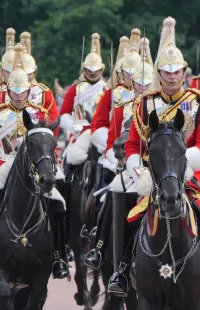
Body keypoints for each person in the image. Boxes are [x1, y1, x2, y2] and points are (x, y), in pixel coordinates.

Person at [106, 16, 200, 301]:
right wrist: (134, 164)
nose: (172, 76)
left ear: (184, 72)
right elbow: (132, 144)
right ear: (158, 73)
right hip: (150, 171)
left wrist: (182, 162)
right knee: (118, 194)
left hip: (189, 171)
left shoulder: (199, 101)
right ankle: (119, 269)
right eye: (166, 72)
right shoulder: (144, 102)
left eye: (177, 71)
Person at [0, 44, 69, 280]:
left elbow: (46, 142)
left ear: (29, 90)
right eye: (15, 91)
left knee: (59, 203)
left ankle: (59, 256)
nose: (19, 95)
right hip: (3, 163)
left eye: (23, 91)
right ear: (7, 89)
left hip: (33, 166)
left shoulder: (39, 113)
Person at [83, 55, 155, 270]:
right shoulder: (123, 106)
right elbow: (111, 138)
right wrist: (117, 158)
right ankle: (100, 245)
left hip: (159, 166)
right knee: (112, 191)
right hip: (133, 165)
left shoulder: (162, 106)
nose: (143, 87)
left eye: (147, 83)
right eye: (139, 83)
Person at [59, 33, 107, 170]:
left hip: (100, 133)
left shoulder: (107, 90)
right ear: (84, 68)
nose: (92, 73)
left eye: (96, 70)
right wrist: (73, 126)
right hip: (79, 133)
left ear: (101, 69)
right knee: (67, 162)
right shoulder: (75, 89)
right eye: (89, 70)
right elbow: (64, 114)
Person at [19, 32, 59, 122]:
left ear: (34, 73)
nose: (26, 77)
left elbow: (53, 119)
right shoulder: (6, 92)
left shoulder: (44, 93)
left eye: (29, 73)